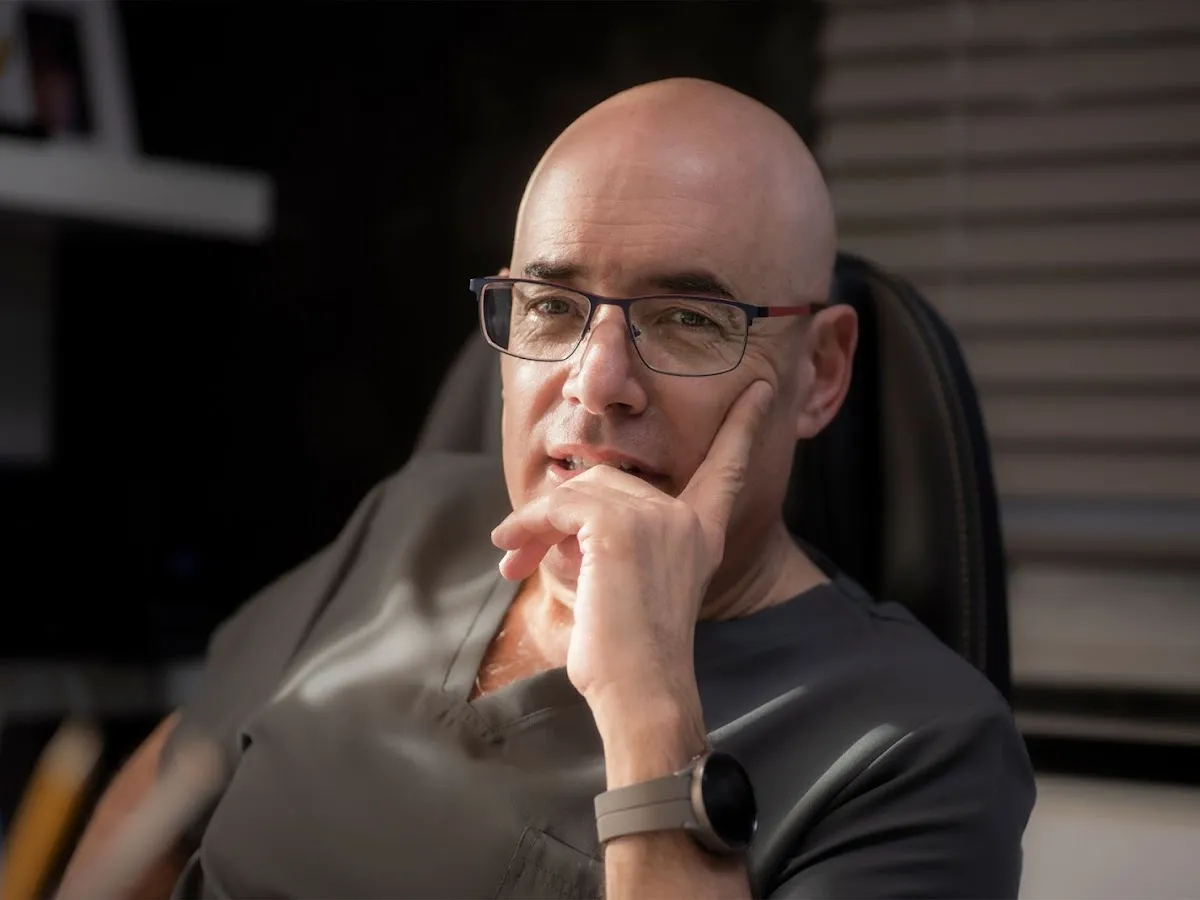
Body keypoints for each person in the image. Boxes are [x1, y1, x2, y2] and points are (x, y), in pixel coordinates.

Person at [62, 78, 1036, 899]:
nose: (596, 381)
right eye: (553, 307)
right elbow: (163, 796)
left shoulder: (921, 747)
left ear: (819, 372)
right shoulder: (417, 516)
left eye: (688, 319)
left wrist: (651, 706)